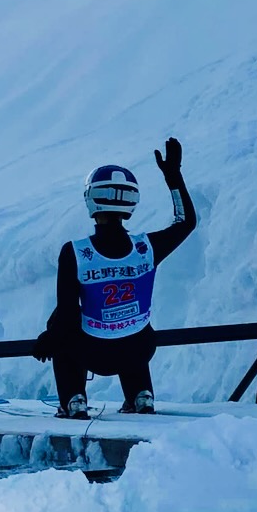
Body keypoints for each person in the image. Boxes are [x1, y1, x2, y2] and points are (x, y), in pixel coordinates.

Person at [33, 139, 197, 418]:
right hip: (140, 350)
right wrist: (174, 177)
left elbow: (69, 313)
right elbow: (186, 222)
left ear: (91, 201)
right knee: (131, 325)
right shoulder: (146, 248)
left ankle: (74, 399)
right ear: (131, 203)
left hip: (93, 353)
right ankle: (141, 395)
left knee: (59, 322)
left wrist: (48, 339)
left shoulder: (77, 253)